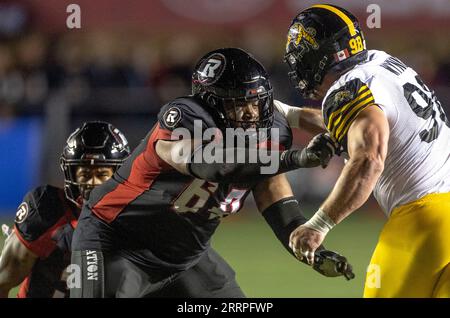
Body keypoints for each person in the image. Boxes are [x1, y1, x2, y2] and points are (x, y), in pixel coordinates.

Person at [70, 47, 354, 298]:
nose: (251, 113)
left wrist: (308, 248)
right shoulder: (182, 117)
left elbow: (274, 196)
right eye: (239, 104)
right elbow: (214, 163)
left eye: (256, 101)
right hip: (117, 241)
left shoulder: (270, 128)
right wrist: (298, 158)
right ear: (212, 104)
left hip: (185, 257)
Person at [281, 4, 450, 297]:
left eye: (302, 58)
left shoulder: (350, 90)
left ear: (319, 57)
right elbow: (361, 123)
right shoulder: (381, 63)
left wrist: (318, 225)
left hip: (426, 221)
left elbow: (368, 159)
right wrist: (291, 114)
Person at [0, 121, 131, 297]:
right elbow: (3, 280)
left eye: (101, 174)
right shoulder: (46, 212)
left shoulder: (137, 219)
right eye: (85, 174)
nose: (92, 183)